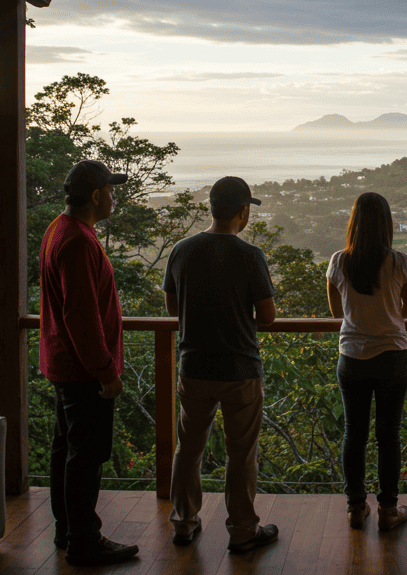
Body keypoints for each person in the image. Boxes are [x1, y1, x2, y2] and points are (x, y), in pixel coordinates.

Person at [162, 176, 280, 554]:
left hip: (193, 366)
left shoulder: (182, 250)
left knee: (189, 447)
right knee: (241, 452)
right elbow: (268, 316)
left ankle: (183, 522)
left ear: (211, 208)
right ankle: (243, 529)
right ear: (243, 212)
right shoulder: (250, 256)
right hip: (240, 369)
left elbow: (172, 307)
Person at [38, 159, 139, 566]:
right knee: (86, 456)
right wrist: (106, 372)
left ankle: (68, 530)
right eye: (111, 191)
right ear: (95, 195)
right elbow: (82, 316)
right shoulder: (78, 241)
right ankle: (84, 540)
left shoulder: (58, 230)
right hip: (83, 370)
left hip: (65, 363)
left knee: (67, 450)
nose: (114, 197)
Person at [328, 192, 407, 531]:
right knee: (388, 435)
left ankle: (355, 508)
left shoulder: (339, 262)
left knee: (354, 433)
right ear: (387, 225)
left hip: (352, 357)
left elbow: (337, 312)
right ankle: (389, 511)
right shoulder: (400, 263)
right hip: (393, 357)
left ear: (354, 224)